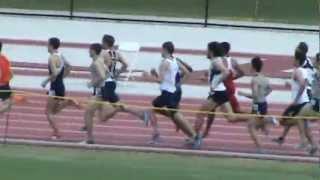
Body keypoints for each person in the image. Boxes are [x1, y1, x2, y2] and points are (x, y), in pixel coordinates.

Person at [81, 35, 150, 144]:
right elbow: (126, 65)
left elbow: (102, 71)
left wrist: (94, 80)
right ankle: (141, 113)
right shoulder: (116, 53)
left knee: (91, 112)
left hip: (104, 84)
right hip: (110, 82)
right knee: (101, 114)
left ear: (104, 43)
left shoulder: (103, 54)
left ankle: (89, 137)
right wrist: (116, 73)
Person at [147, 41, 200, 147]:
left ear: (165, 50)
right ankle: (192, 136)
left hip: (168, 93)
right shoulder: (175, 60)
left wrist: (147, 77)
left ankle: (194, 136)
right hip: (175, 91)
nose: (160, 51)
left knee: (160, 110)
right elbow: (187, 72)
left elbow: (160, 80)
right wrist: (179, 84)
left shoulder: (164, 62)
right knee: (171, 113)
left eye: (161, 49)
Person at [194, 42, 239, 148]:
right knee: (231, 117)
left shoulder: (215, 61)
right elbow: (219, 73)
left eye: (207, 50)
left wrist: (215, 82)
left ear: (211, 51)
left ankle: (196, 138)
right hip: (221, 92)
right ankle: (256, 118)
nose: (206, 52)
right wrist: (209, 79)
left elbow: (226, 72)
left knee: (200, 114)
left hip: (217, 93)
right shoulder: (217, 60)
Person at [272, 50, 313, 152]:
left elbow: (303, 85)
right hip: (303, 102)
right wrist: (290, 85)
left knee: (284, 120)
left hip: (299, 103)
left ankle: (304, 140)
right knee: (301, 123)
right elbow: (302, 84)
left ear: (297, 60)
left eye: (294, 58)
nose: (293, 60)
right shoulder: (303, 70)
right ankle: (312, 145)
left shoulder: (298, 71)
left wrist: (296, 99)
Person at [202, 41, 245, 138]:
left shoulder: (219, 60)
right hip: (229, 87)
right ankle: (256, 118)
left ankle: (256, 118)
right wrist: (232, 78)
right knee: (234, 112)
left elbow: (219, 72)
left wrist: (217, 80)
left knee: (229, 114)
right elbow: (241, 73)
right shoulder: (232, 60)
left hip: (222, 88)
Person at [41, 37, 81, 139]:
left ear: (51, 46)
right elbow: (69, 66)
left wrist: (45, 81)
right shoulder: (61, 55)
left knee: (48, 112)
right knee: (53, 111)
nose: (46, 47)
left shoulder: (51, 58)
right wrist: (62, 77)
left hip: (54, 87)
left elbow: (54, 73)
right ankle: (67, 102)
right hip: (61, 86)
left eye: (47, 44)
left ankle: (56, 133)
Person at [238, 57, 275, 152]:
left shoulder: (254, 80)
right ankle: (267, 122)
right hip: (263, 103)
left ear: (253, 67)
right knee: (258, 124)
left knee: (251, 126)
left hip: (258, 104)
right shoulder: (264, 78)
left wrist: (243, 94)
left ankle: (260, 148)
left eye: (250, 65)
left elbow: (254, 95)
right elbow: (270, 89)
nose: (249, 67)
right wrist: (263, 95)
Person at [0, 41, 14, 113]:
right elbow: (11, 74)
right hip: (4, 85)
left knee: (8, 103)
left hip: (3, 86)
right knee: (8, 104)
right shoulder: (5, 59)